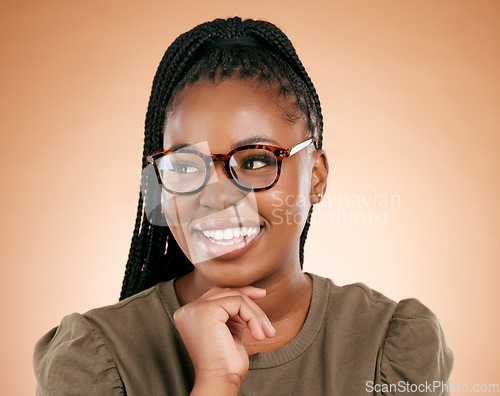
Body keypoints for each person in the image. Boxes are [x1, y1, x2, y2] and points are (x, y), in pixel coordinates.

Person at [33, 16, 453, 395]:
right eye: (185, 166)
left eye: (254, 160)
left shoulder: (389, 346)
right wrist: (215, 384)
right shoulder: (94, 359)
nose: (214, 197)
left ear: (316, 177)